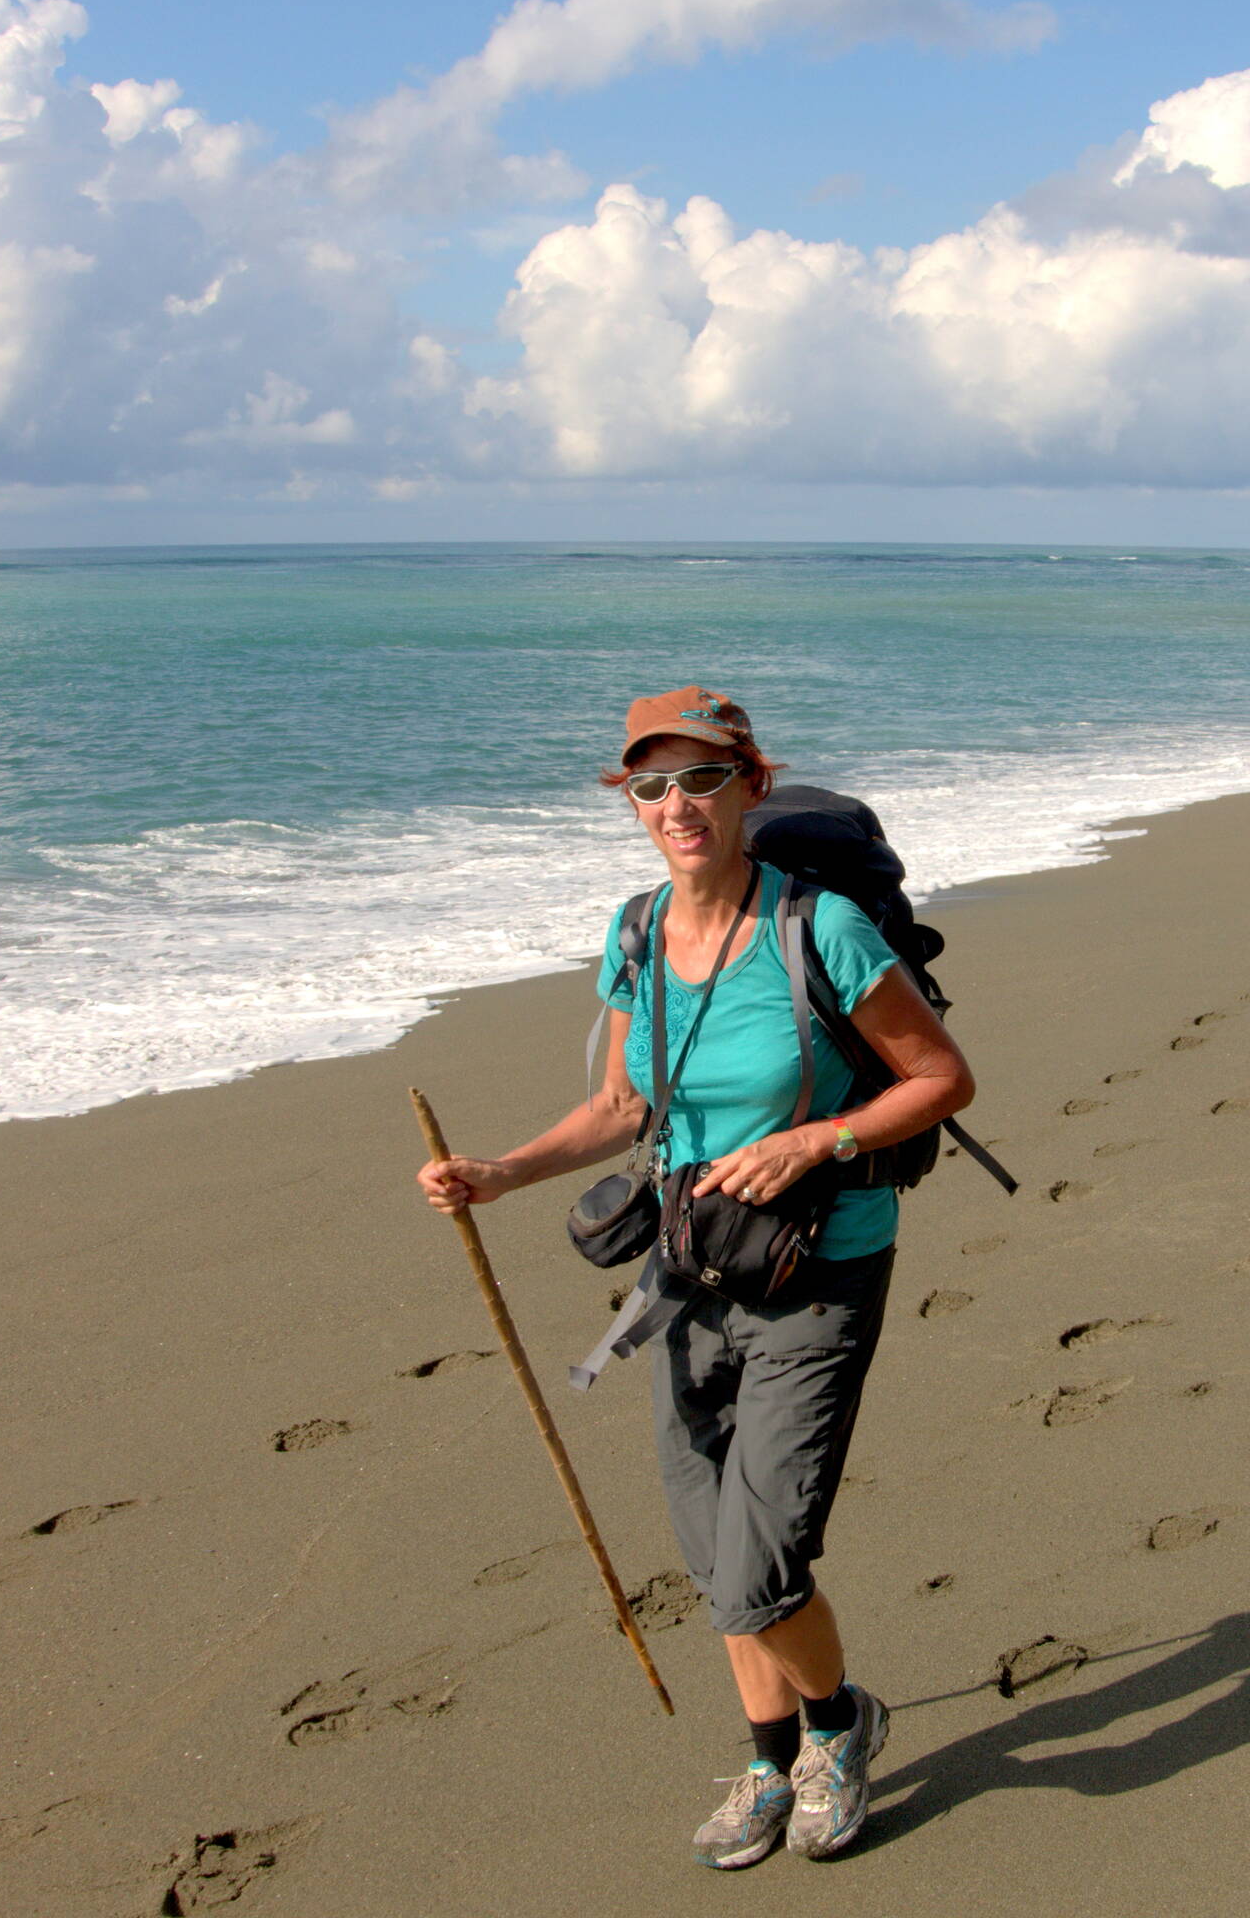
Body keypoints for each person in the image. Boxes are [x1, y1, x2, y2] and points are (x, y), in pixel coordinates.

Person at [419, 687, 976, 1868]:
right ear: (630, 802)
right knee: (712, 1554)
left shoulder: (818, 931)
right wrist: (499, 1171)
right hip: (686, 1274)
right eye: (650, 784)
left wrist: (811, 1141)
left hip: (819, 1270)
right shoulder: (633, 934)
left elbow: (938, 1079)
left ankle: (839, 1726)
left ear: (751, 784)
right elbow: (621, 1106)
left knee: (761, 1567)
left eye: (702, 779)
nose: (677, 804)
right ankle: (770, 1763)